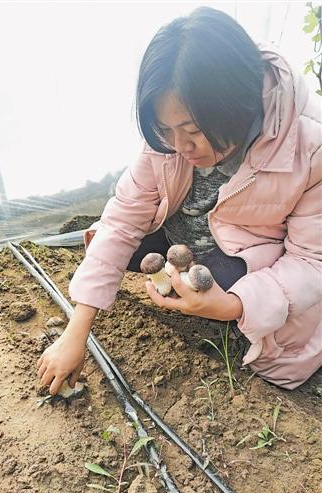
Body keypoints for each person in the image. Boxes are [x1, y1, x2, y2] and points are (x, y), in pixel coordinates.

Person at [37, 7, 322, 393]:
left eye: (192, 130)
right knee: (117, 240)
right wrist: (77, 330)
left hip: (244, 262)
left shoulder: (309, 144)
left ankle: (220, 314)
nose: (179, 147)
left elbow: (311, 260)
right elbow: (124, 219)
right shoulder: (169, 141)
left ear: (239, 105)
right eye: (165, 130)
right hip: (178, 243)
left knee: (221, 287)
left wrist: (235, 305)